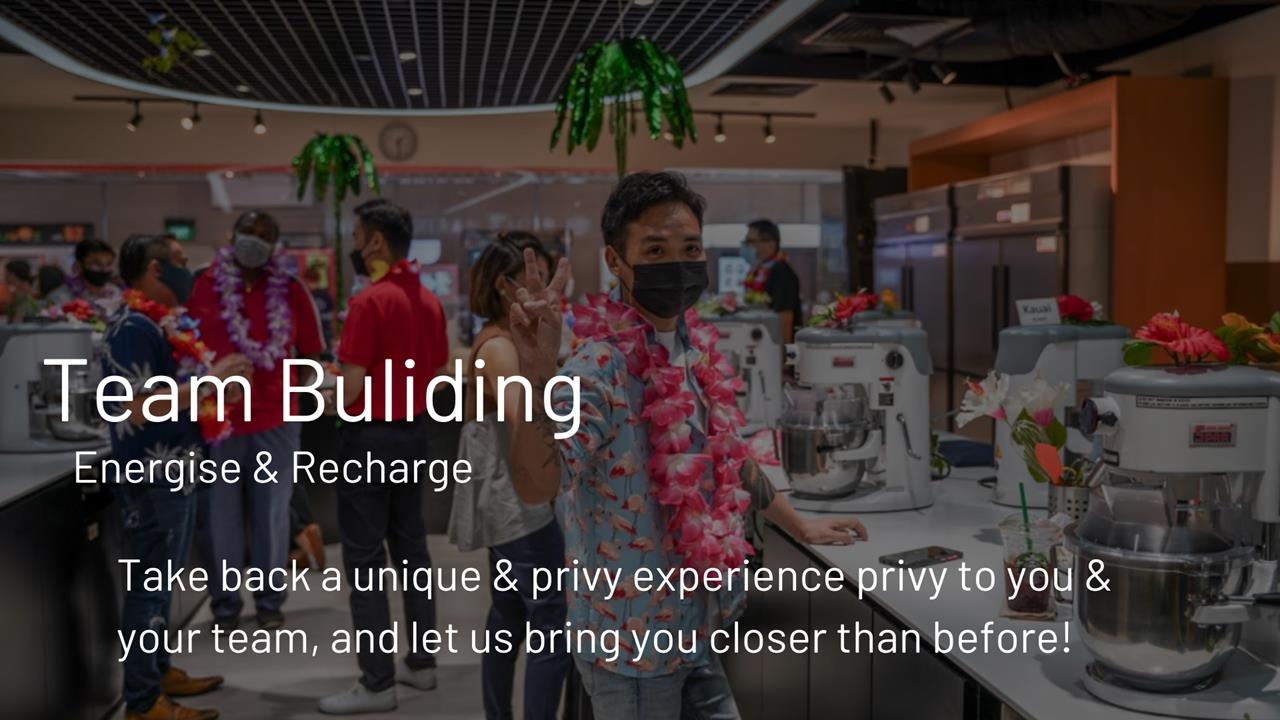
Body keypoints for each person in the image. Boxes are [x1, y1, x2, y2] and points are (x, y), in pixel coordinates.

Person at [506, 171, 867, 720]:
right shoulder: (596, 369)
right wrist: (534, 375)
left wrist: (800, 526)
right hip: (631, 649)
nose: (677, 263)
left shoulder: (693, 349)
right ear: (615, 260)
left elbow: (729, 454)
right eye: (655, 250)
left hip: (696, 627)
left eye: (690, 248)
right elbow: (538, 485)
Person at [101, 234, 252, 720]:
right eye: (183, 262)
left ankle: (159, 671)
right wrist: (211, 382)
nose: (192, 271)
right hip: (153, 477)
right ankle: (143, 701)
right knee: (149, 587)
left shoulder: (157, 323)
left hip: (175, 471)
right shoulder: (132, 328)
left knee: (161, 584)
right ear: (155, 269)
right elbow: (137, 406)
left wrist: (216, 391)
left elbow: (174, 394)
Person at [318, 199, 448, 715]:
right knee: (412, 551)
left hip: (368, 440)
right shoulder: (429, 301)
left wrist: (325, 390)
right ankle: (422, 664)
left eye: (356, 236)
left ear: (375, 241)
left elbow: (350, 388)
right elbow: (438, 372)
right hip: (414, 436)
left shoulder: (369, 301)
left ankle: (376, 684)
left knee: (366, 562)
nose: (354, 245)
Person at [187, 211, 325, 632]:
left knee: (272, 515)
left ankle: (269, 601)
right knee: (220, 518)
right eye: (249, 232)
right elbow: (182, 348)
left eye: (265, 235)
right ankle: (225, 605)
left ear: (275, 244)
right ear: (233, 235)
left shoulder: (292, 290)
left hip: (276, 421)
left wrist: (288, 390)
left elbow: (311, 354)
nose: (255, 241)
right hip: (217, 421)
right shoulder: (202, 284)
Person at [449, 232, 569, 720]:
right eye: (530, 277)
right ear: (504, 285)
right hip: (522, 505)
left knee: (509, 615)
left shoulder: (506, 338)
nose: (540, 288)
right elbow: (524, 419)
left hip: (511, 502)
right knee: (550, 621)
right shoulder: (499, 349)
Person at [741, 219, 803, 342]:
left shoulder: (782, 272)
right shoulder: (758, 271)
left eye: (750, 241)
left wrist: (781, 352)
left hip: (774, 345)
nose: (745, 246)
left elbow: (784, 318)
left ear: (770, 244)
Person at [48, 237, 124, 315]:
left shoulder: (116, 294)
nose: (104, 270)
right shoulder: (60, 297)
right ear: (79, 266)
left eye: (108, 264)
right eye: (96, 264)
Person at [4, 258, 38, 322]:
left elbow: (17, 321)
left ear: (12, 275)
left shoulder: (23, 295)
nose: (4, 276)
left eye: (5, 273)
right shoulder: (28, 292)